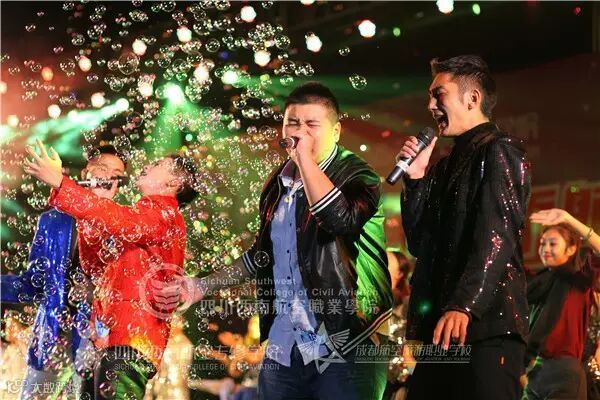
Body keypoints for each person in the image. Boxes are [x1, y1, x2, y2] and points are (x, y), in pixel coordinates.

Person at [162, 82, 393, 400]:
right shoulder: (278, 184)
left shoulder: (358, 176)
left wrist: (305, 160)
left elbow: (339, 219)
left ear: (336, 131)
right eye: (292, 123)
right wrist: (202, 286)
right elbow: (261, 256)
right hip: (285, 343)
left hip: (348, 338)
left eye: (312, 125)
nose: (299, 133)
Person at [23, 139, 198, 400]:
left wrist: (61, 183)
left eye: (158, 164)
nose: (148, 165)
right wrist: (98, 201)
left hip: (130, 342)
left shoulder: (164, 214)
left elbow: (119, 220)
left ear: (174, 182)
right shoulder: (140, 219)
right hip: (110, 340)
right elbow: (94, 265)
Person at [399, 55, 531, 400]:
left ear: (472, 98)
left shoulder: (500, 150)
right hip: (444, 327)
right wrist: (415, 180)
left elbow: (497, 235)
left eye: (438, 94)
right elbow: (419, 243)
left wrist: (465, 304)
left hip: (486, 326)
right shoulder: (443, 166)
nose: (430, 105)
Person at [1, 145, 126, 399]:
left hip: (96, 343)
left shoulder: (125, 226)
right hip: (52, 339)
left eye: (116, 175)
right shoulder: (52, 221)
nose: (108, 177)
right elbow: (33, 284)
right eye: (103, 168)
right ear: (86, 172)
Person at [522, 208, 600, 400]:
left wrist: (569, 219)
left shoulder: (579, 280)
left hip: (565, 371)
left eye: (553, 243)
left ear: (571, 249)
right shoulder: (535, 282)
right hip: (534, 370)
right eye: (542, 243)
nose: (545, 249)